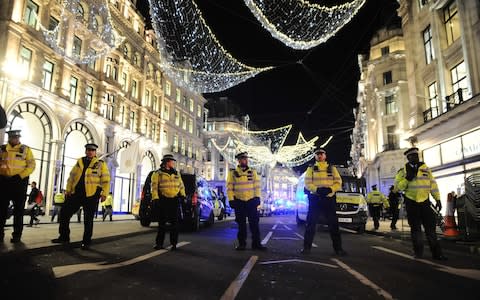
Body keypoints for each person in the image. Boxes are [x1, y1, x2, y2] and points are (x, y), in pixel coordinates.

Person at [51, 143, 110, 250]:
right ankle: (64, 237)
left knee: (88, 219)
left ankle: (86, 242)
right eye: (88, 150)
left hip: (91, 195)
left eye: (92, 150)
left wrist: (104, 194)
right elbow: (71, 177)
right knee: (64, 213)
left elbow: (106, 180)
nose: (90, 152)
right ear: (85, 151)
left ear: (95, 152)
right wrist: (68, 189)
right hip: (76, 193)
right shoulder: (79, 162)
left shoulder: (100, 164)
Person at [394, 147, 447, 260]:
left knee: (431, 230)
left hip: (425, 202)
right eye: (413, 156)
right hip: (411, 203)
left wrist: (437, 199)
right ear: (408, 158)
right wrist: (407, 179)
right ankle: (418, 253)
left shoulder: (426, 169)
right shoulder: (402, 172)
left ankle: (437, 254)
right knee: (416, 230)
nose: (416, 158)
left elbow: (433, 185)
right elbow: (397, 188)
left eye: (417, 156)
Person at [301, 147, 346, 255]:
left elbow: (338, 182)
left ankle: (338, 249)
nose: (320, 156)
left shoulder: (332, 168)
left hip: (329, 199)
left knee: (333, 225)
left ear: (325, 156)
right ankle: (306, 248)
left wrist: (330, 189)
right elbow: (307, 183)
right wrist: (317, 190)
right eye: (317, 154)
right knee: (310, 224)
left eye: (321, 154)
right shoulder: (311, 168)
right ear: (315, 156)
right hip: (315, 199)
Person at [0, 130, 36, 243]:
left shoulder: (25, 149)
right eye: (13, 137)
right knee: (1, 210)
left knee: (18, 211)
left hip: (19, 183)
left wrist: (21, 176)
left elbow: (31, 165)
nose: (15, 139)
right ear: (9, 138)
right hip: (4, 182)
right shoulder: (2, 149)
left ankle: (17, 235)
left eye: (17, 137)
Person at [227, 152, 266, 251]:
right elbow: (230, 188)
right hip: (239, 202)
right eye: (243, 159)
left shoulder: (253, 172)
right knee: (241, 225)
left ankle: (256, 244)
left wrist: (257, 198)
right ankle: (242, 244)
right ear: (239, 160)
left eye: (246, 159)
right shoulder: (233, 173)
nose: (245, 160)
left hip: (251, 201)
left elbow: (257, 186)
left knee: (254, 224)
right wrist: (231, 200)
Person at [151, 154, 185, 250]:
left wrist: (183, 195)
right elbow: (154, 187)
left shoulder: (176, 173)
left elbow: (181, 186)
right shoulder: (158, 173)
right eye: (172, 161)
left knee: (174, 225)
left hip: (174, 201)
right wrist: (155, 198)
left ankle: (174, 244)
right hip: (163, 200)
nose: (173, 163)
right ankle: (159, 244)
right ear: (167, 162)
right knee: (162, 224)